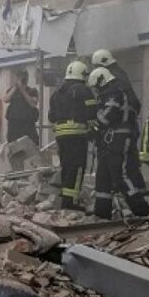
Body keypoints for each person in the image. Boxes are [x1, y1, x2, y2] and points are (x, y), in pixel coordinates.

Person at [87, 67, 149, 220]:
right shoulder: (106, 93)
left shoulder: (114, 92)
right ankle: (102, 214)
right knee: (102, 176)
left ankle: (142, 210)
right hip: (108, 140)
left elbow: (107, 117)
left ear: (101, 80)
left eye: (96, 87)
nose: (95, 90)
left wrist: (92, 115)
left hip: (119, 139)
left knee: (120, 175)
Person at [50, 60, 95, 210]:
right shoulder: (84, 90)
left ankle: (65, 197)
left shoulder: (57, 92)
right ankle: (71, 202)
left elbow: (51, 117)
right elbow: (92, 113)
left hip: (61, 135)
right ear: (82, 74)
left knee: (67, 165)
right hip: (77, 134)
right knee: (77, 167)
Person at [3, 70, 40, 145]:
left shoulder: (32, 91)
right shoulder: (11, 90)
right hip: (14, 124)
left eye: (24, 77)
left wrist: (22, 89)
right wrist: (15, 87)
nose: (23, 79)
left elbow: (33, 103)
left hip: (28, 124)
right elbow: (6, 99)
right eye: (20, 77)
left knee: (32, 143)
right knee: (13, 145)